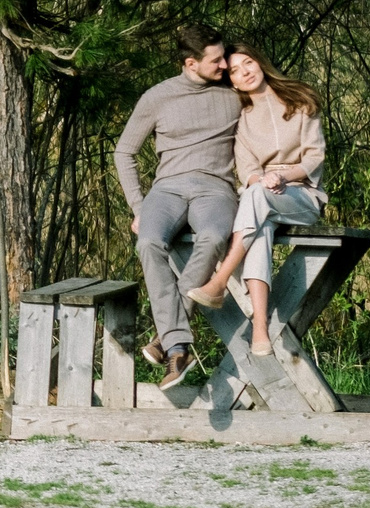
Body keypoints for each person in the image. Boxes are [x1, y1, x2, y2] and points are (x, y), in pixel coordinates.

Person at [112, 25, 240, 384]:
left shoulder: (234, 93)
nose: (224, 65)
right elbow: (124, 152)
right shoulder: (157, 97)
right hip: (166, 190)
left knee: (214, 236)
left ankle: (170, 340)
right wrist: (138, 206)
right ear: (190, 63)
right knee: (149, 242)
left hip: (215, 188)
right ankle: (178, 346)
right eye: (215, 61)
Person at [185, 40, 327, 357]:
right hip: (261, 193)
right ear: (231, 81)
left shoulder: (300, 99)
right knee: (258, 225)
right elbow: (247, 168)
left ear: (259, 62)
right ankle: (260, 328)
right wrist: (261, 180)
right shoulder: (242, 119)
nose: (244, 72)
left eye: (247, 62)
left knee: (256, 197)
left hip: (301, 194)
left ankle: (219, 281)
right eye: (234, 71)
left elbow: (314, 157)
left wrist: (282, 177)